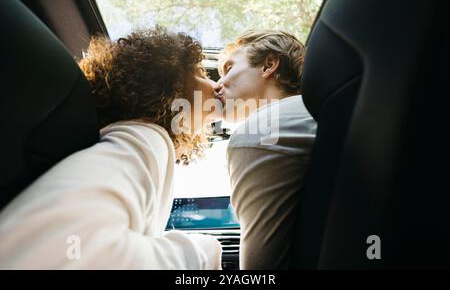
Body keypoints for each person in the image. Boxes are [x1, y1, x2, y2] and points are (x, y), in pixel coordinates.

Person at [0, 27, 223, 269]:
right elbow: (79, 250)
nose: (216, 86)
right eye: (200, 72)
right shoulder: (147, 136)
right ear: (168, 82)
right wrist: (205, 252)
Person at [216, 30, 317, 269]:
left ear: (269, 65)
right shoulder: (316, 113)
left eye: (229, 69)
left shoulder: (260, 133)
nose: (217, 85)